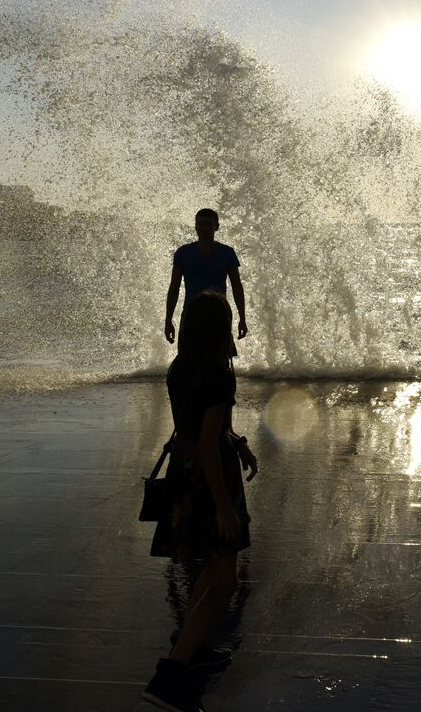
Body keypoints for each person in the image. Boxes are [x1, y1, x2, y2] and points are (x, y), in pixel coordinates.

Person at [142, 290, 259, 712]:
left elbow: (202, 429)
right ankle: (168, 680)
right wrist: (225, 506)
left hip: (185, 474)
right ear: (219, 328)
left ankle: (191, 642)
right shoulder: (218, 375)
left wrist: (240, 443)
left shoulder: (180, 368)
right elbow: (210, 446)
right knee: (224, 579)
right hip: (211, 479)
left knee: (209, 567)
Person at [165, 208, 248, 353]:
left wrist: (242, 319)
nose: (204, 228)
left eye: (208, 224)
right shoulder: (183, 253)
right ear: (195, 226)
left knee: (221, 359)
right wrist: (168, 320)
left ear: (216, 227)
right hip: (191, 313)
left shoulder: (227, 253)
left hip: (219, 312)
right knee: (188, 358)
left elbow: (237, 287)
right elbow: (174, 287)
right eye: (200, 224)